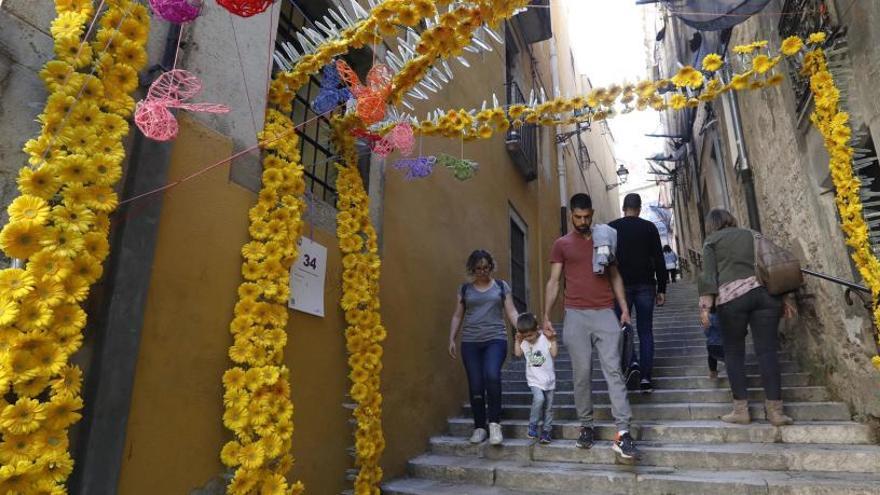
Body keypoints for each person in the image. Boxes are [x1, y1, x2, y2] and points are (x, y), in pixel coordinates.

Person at [543, 193, 639, 460]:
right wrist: (546, 316)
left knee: (614, 373)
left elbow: (615, 274)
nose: (583, 222)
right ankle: (586, 426)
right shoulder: (561, 245)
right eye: (578, 217)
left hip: (605, 313)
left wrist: (623, 310)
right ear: (571, 215)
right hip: (575, 315)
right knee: (581, 374)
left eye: (587, 217)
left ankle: (623, 432)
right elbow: (553, 281)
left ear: (592, 213)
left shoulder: (604, 238)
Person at [698, 208, 797, 426]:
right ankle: (776, 412)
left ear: (711, 225)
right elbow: (772, 261)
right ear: (731, 220)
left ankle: (741, 411)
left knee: (733, 353)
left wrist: (705, 308)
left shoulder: (711, 242)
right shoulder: (752, 234)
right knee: (768, 352)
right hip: (764, 295)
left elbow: (708, 277)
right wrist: (786, 298)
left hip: (732, 300)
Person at [448, 250, 520, 445]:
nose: (482, 272)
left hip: (495, 339)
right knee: (476, 384)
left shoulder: (500, 286)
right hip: (470, 342)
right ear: (472, 269)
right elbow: (457, 315)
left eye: (486, 268)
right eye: (478, 268)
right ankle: (479, 427)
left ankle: (495, 425)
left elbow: (511, 311)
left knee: (492, 376)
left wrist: (522, 329)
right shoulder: (464, 290)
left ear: (491, 267)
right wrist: (452, 338)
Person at [608, 193, 667, 393]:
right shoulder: (649, 228)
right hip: (645, 285)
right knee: (645, 331)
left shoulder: (612, 227)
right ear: (640, 209)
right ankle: (645, 378)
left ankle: (632, 362)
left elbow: (606, 259)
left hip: (620, 286)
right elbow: (659, 259)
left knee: (623, 328)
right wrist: (662, 289)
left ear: (623, 208)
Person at [514, 312, 557, 444]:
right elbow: (517, 353)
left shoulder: (545, 339)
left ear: (537, 329)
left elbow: (554, 354)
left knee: (548, 408)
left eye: (531, 335)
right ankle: (533, 424)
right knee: (539, 399)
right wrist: (518, 340)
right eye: (525, 336)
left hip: (549, 380)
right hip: (534, 380)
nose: (529, 338)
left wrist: (553, 340)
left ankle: (546, 432)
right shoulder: (525, 342)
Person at [705, 310, 724, 380]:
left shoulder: (708, 316)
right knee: (730, 358)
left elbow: (706, 332)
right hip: (723, 343)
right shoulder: (724, 314)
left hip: (711, 344)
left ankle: (713, 373)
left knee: (711, 356)